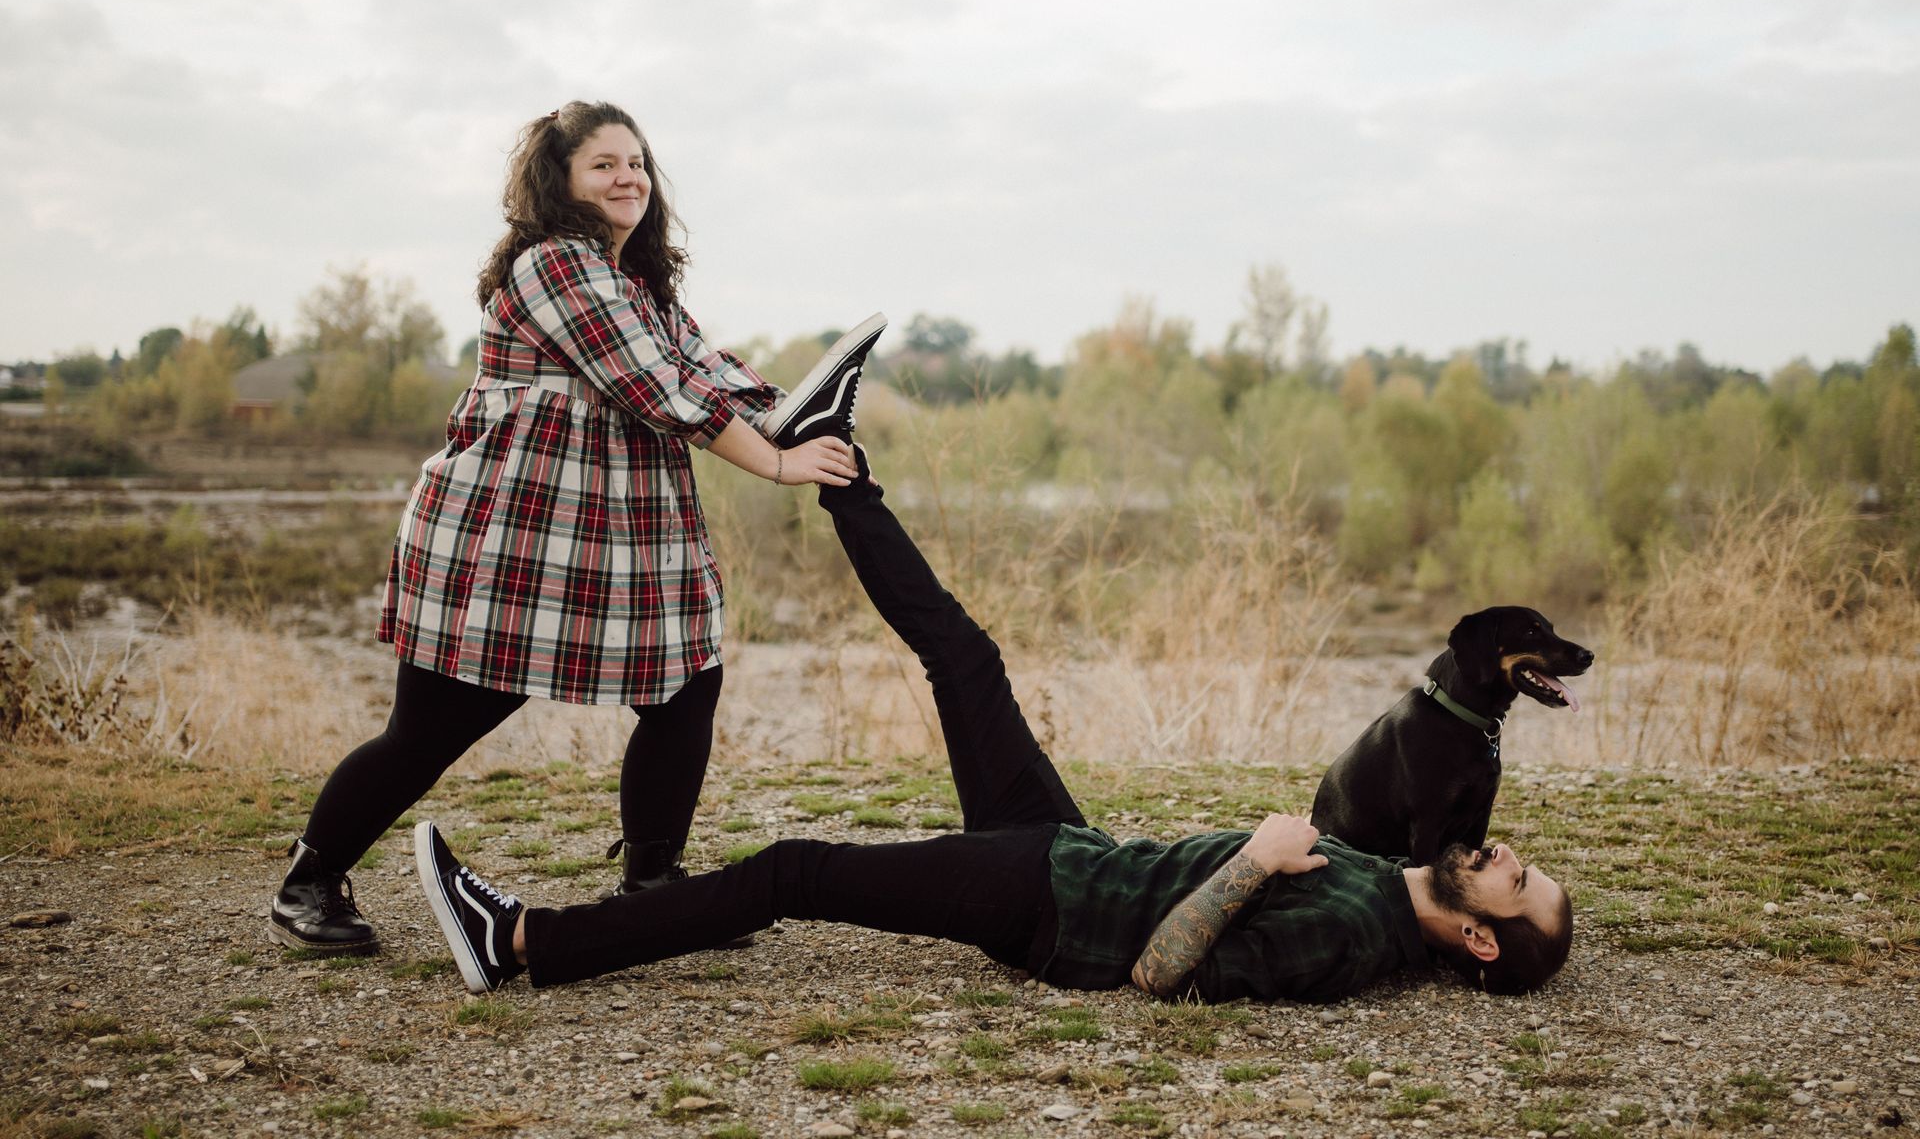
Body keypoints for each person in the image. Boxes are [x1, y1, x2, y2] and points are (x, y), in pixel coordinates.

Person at [414, 447, 1575, 1003]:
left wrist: (1258, 861)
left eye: (1518, 883)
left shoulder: (1354, 937)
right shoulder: (1392, 874)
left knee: (792, 870)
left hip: (1047, 903)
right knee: (966, 658)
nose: (1511, 855)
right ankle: (836, 468)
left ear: (1480, 940)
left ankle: (520, 942)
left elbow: (1160, 970)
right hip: (1076, 850)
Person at [271, 100, 886, 955]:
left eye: (636, 162)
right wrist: (779, 465)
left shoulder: (636, 282)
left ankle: (654, 889)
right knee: (435, 728)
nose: (628, 177)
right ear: (558, 181)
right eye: (603, 164)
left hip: (617, 537)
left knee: (683, 686)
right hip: (515, 536)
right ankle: (307, 882)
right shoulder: (554, 266)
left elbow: (701, 369)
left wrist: (792, 419)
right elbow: (657, 389)